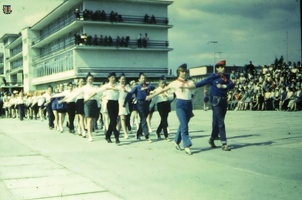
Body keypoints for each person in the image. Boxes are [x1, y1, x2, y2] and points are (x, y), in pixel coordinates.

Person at [185, 60, 235, 151]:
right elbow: (203, 82)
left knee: (217, 121)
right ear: (217, 68)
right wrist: (191, 86)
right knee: (220, 121)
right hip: (216, 100)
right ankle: (224, 143)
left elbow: (232, 84)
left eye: (224, 67)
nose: (223, 69)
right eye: (221, 67)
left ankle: (212, 138)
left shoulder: (226, 77)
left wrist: (224, 86)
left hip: (224, 100)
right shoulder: (213, 76)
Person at [146, 64, 195, 155]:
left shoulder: (189, 81)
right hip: (180, 105)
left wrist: (185, 87)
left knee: (183, 124)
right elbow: (162, 90)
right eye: (182, 71)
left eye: (185, 71)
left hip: (189, 104)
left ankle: (176, 141)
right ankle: (187, 145)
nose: (184, 73)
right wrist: (151, 96)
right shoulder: (174, 83)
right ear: (178, 72)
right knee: (184, 126)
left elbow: (193, 86)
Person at [124, 72, 155, 142]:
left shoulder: (147, 86)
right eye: (142, 78)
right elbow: (130, 94)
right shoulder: (137, 87)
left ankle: (138, 134)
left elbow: (153, 87)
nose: (143, 79)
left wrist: (146, 87)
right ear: (139, 79)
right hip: (139, 104)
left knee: (143, 120)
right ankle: (147, 136)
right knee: (144, 119)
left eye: (144, 78)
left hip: (146, 103)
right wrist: (125, 102)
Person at [153, 75, 173, 140]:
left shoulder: (167, 89)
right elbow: (154, 98)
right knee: (164, 120)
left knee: (163, 120)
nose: (163, 84)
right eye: (162, 83)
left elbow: (171, 97)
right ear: (159, 83)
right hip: (160, 105)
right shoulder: (157, 90)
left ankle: (158, 131)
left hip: (166, 104)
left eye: (164, 83)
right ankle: (166, 135)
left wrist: (167, 96)